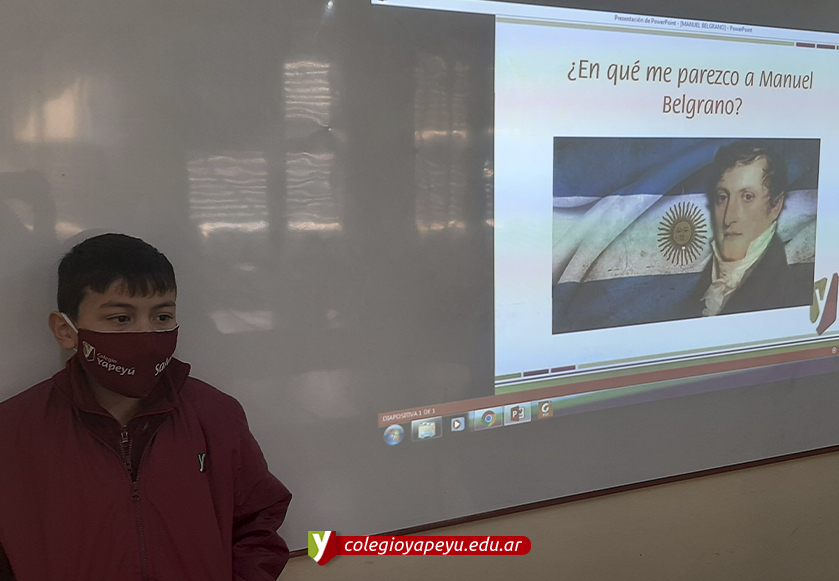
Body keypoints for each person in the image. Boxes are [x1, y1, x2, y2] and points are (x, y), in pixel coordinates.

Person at [0, 233, 291, 581]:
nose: (147, 335)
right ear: (66, 330)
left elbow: (257, 525)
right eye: (121, 319)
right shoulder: (12, 432)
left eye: (162, 317)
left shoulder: (216, 415)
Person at [684, 141, 813, 317]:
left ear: (776, 206)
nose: (729, 218)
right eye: (722, 197)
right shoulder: (701, 284)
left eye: (747, 197)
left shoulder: (789, 294)